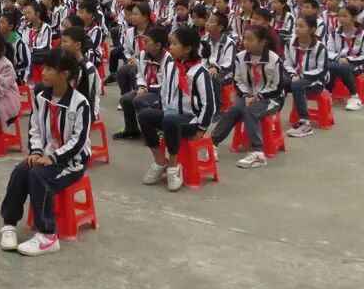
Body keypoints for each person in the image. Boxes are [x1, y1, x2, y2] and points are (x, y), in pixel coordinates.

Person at [0, 49, 91, 256]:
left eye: (49, 69)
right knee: (20, 171)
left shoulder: (80, 103)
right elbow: (35, 129)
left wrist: (53, 157)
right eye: (44, 68)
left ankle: (48, 235)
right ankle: (9, 224)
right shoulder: (41, 98)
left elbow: (78, 141)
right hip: (45, 156)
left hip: (71, 162)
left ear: (64, 74)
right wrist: (36, 152)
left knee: (38, 177)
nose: (43, 72)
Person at [137, 27, 215, 191]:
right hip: (171, 114)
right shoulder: (171, 66)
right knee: (144, 115)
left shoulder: (199, 72)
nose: (170, 47)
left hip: (191, 120)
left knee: (170, 121)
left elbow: (209, 104)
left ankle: (174, 165)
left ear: (187, 49)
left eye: (174, 44)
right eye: (170, 44)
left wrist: (201, 128)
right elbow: (164, 92)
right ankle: (160, 161)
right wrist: (162, 109)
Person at [210, 25, 284, 169]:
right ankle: (213, 143)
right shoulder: (240, 57)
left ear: (262, 42)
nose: (245, 42)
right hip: (247, 96)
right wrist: (246, 95)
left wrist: (258, 96)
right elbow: (237, 80)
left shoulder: (274, 59)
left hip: (271, 98)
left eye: (250, 39)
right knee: (234, 110)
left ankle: (258, 153)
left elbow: (277, 86)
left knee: (250, 111)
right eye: (244, 39)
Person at [114, 25, 169, 140]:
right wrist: (141, 86)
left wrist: (146, 89)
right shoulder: (143, 54)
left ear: (158, 45)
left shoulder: (168, 60)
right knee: (126, 99)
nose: (143, 43)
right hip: (146, 88)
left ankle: (155, 132)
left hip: (160, 93)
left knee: (139, 100)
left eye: (147, 41)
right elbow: (140, 74)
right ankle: (131, 130)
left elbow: (165, 84)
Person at [284, 15, 328, 138]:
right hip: (296, 76)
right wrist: (293, 74)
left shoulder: (320, 47)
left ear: (312, 29)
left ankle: (305, 122)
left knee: (298, 85)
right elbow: (287, 63)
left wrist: (302, 76)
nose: (297, 29)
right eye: (296, 26)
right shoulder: (289, 44)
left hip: (316, 80)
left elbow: (322, 70)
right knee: (280, 82)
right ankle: (272, 116)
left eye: (301, 26)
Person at [325, 5, 364, 111]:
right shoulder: (334, 33)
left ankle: (354, 97)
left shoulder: (362, 35)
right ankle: (329, 94)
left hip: (357, 63)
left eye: (345, 16)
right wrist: (338, 58)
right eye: (339, 16)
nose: (341, 19)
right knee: (331, 66)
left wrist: (348, 60)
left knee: (342, 67)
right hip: (337, 61)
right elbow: (329, 51)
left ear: (354, 18)